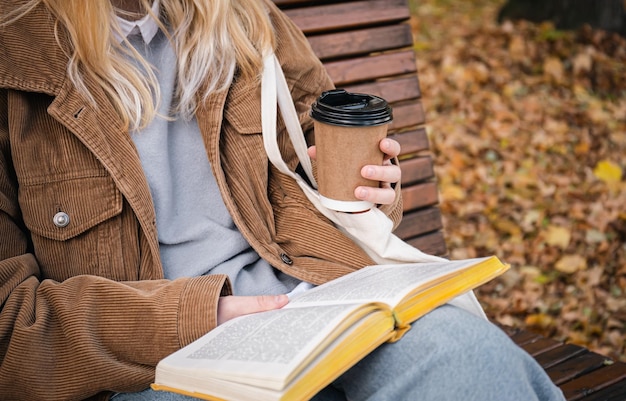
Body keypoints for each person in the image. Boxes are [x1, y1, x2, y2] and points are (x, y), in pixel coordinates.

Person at [0, 0, 565, 400]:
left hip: (313, 300)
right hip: (157, 362)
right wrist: (195, 316)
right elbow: (9, 324)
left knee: (468, 359)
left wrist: (370, 190)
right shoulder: (15, 57)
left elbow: (326, 151)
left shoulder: (245, 17)